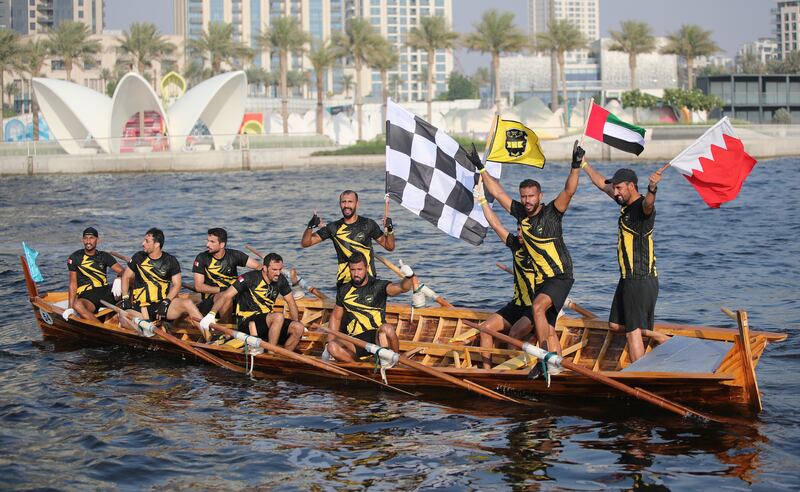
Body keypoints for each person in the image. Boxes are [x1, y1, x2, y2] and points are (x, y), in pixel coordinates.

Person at [474, 142, 583, 356]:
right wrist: (481, 167)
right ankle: (556, 365)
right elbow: (497, 192)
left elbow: (569, 191)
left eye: (531, 196)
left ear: (540, 196)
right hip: (544, 281)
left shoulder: (552, 213)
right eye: (524, 197)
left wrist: (576, 166)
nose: (527, 201)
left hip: (561, 275)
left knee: (537, 308)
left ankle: (544, 356)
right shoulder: (521, 214)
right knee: (549, 328)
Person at [581, 161, 670, 362]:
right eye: (615, 188)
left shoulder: (641, 209)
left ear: (631, 186)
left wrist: (652, 187)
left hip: (639, 278)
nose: (616, 192)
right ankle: (660, 338)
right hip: (627, 279)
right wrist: (583, 164)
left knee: (632, 331)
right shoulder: (626, 203)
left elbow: (649, 204)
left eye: (619, 188)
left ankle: (639, 375)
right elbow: (602, 184)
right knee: (614, 325)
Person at [474, 185, 539, 369]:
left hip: (534, 308)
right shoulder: (515, 246)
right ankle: (487, 373)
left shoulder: (541, 249)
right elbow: (495, 224)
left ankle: (514, 372)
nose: (519, 234)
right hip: (516, 306)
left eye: (522, 231)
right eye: (517, 230)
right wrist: (482, 201)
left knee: (514, 335)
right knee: (485, 329)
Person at [199, 253, 305, 352]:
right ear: (264, 268)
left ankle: (284, 357)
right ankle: (270, 354)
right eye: (274, 270)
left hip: (267, 322)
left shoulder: (280, 280)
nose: (278, 273)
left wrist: (295, 321)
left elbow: (291, 301)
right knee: (278, 317)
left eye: (280, 269)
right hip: (247, 322)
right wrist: (211, 314)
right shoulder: (249, 278)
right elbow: (226, 295)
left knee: (298, 327)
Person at [326, 252, 415, 362]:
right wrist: (328, 342)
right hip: (355, 340)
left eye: (359, 269)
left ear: (366, 268)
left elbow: (402, 288)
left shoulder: (378, 286)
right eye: (353, 270)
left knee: (387, 329)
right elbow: (336, 317)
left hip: (377, 337)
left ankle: (395, 361)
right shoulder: (344, 290)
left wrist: (409, 276)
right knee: (332, 347)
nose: (356, 274)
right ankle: (360, 366)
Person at [119, 228, 207, 339]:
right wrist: (125, 297)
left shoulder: (170, 261)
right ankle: (148, 329)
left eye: (147, 241)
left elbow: (177, 285)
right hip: (140, 308)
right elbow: (126, 277)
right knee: (122, 316)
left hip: (161, 307)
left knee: (188, 303)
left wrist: (166, 302)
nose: (143, 243)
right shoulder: (138, 257)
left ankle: (208, 337)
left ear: (156, 244)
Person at [300, 190, 395, 287]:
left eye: (350, 202)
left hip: (368, 280)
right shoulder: (333, 227)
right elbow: (306, 243)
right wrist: (310, 227)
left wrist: (390, 230)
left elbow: (389, 246)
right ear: (340, 204)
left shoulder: (368, 224)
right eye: (343, 202)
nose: (346, 205)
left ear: (357, 204)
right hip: (345, 281)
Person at [192, 228, 261, 321]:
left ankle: (255, 324)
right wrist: (223, 290)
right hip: (211, 301)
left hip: (233, 296)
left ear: (222, 245)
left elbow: (259, 267)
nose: (207, 245)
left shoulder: (234, 255)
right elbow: (198, 287)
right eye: (208, 241)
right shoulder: (202, 258)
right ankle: (225, 330)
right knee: (225, 296)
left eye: (212, 242)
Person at [62, 227, 125, 323]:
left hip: (105, 291)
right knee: (77, 305)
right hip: (87, 296)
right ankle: (101, 328)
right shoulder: (75, 257)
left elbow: (123, 272)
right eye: (86, 238)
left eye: (91, 238)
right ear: (82, 240)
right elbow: (73, 284)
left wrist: (119, 278)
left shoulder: (104, 256)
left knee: (132, 282)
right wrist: (70, 308)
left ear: (97, 240)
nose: (88, 241)